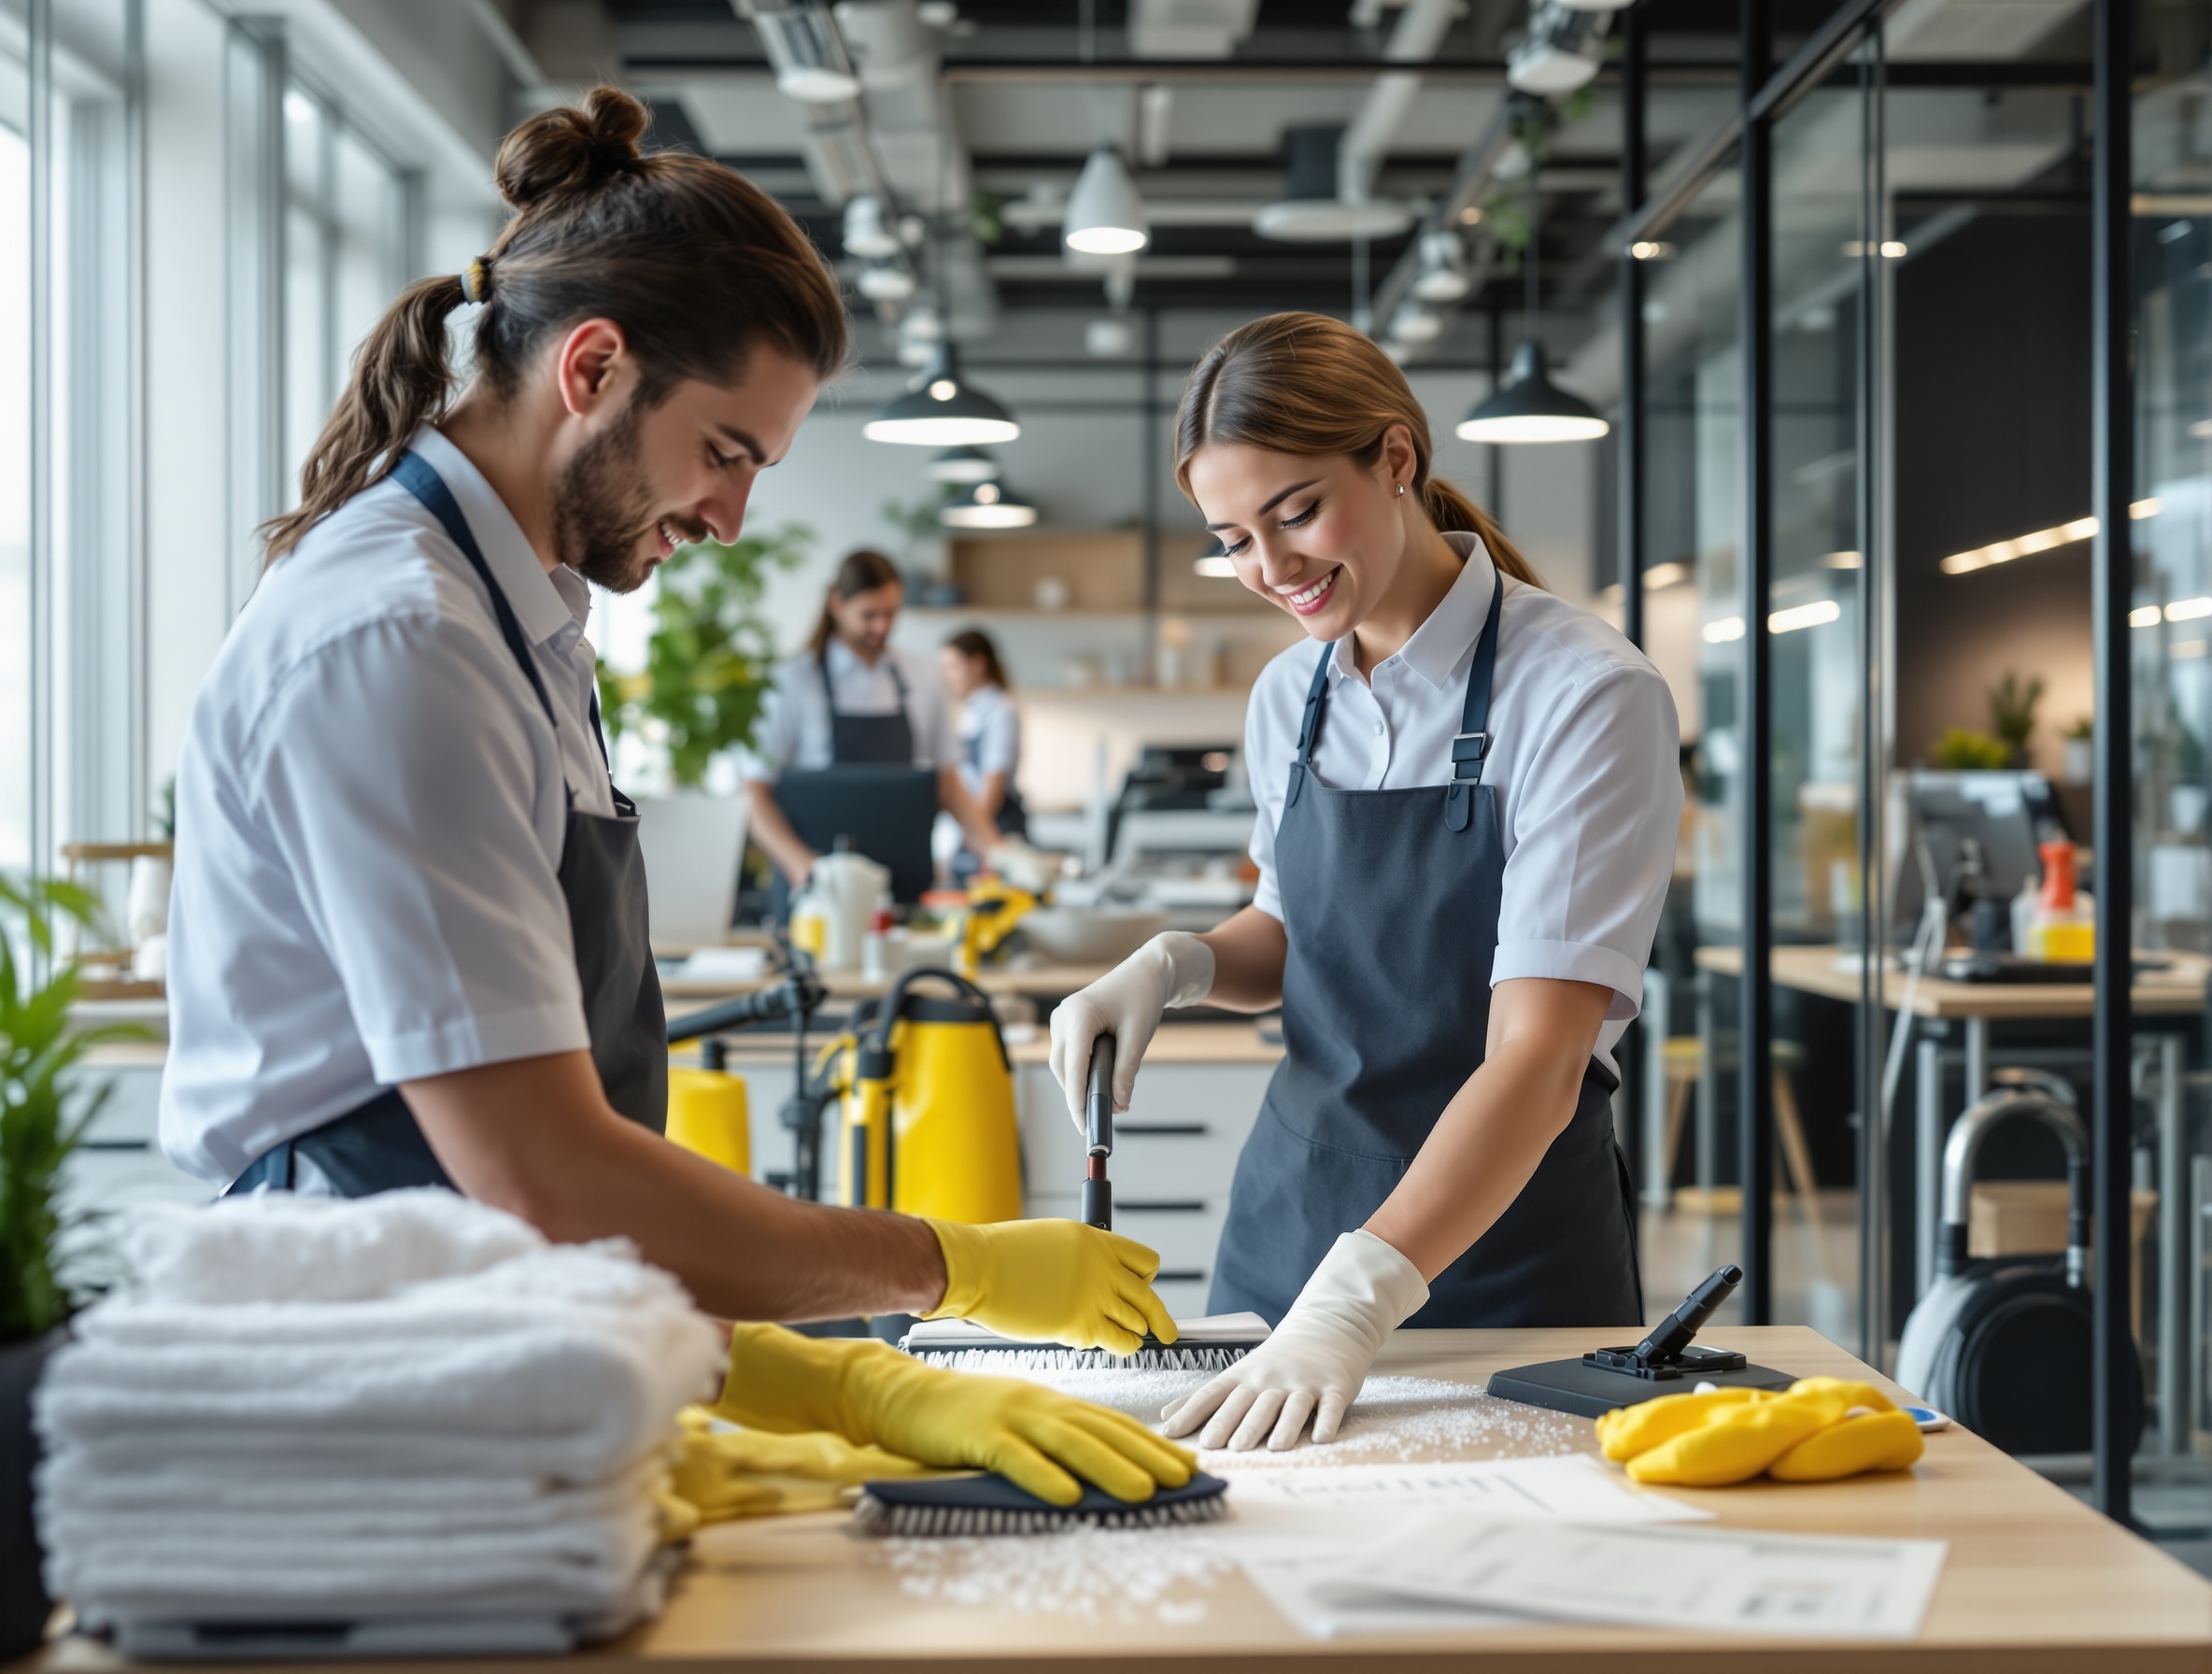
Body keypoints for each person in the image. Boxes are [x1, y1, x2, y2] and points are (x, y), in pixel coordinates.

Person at [159, 88, 1189, 1507]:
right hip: (366, 1398)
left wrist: (797, 1370)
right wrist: (942, 1275)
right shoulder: (402, 639)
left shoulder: (520, 623)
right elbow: (543, 1175)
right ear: (592, 367)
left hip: (503, 1345)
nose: (731, 518)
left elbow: (543, 1195)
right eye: (726, 452)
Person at [1049, 312, 1681, 1453]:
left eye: (1295, 512)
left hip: (1499, 1256)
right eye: (1233, 537)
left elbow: (1538, 1060)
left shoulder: (1586, 694)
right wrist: (1179, 963)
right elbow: (1293, 932)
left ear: (1396, 458)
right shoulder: (1287, 696)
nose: (1271, 568)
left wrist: (1354, 1304)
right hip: (1285, 1229)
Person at [742, 551, 1012, 901]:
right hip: (819, 892)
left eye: (890, 614)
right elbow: (754, 797)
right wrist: (804, 866)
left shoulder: (924, 679)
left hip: (903, 888)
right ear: (837, 605)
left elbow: (948, 787)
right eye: (869, 615)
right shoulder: (790, 684)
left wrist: (998, 851)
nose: (881, 627)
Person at [940, 628, 1027, 879]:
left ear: (977, 664)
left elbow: (993, 782)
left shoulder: (1002, 711)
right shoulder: (970, 711)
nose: (948, 676)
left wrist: (976, 834)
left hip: (992, 824)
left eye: (953, 666)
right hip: (973, 824)